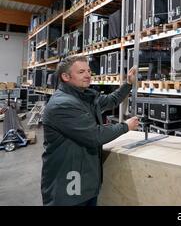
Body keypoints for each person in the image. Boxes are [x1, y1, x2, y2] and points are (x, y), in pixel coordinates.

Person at [41, 56, 140, 206]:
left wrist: (128, 83)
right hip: (69, 182)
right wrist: (125, 126)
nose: (88, 75)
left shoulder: (84, 97)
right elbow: (95, 135)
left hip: (84, 178)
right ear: (66, 77)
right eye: (81, 72)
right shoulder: (62, 105)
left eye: (88, 70)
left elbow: (111, 100)